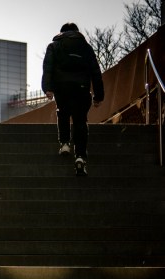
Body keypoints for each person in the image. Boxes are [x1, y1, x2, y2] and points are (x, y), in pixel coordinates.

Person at [41, 22, 104, 177]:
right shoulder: (86, 47)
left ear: (61, 33)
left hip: (61, 87)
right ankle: (80, 156)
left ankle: (64, 144)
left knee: (62, 112)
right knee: (80, 120)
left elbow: (47, 67)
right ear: (77, 32)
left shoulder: (54, 46)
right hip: (82, 88)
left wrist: (47, 88)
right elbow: (95, 72)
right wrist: (98, 95)